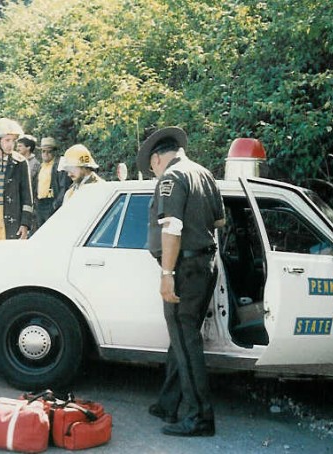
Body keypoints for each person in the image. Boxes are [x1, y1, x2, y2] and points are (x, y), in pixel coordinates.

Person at [136, 126, 225, 437]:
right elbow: (219, 221)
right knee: (182, 339)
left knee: (186, 343)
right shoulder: (204, 173)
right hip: (205, 264)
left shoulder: (172, 178)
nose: (155, 173)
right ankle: (168, 403)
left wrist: (167, 273)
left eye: (153, 167)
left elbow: (171, 228)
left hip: (184, 269)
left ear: (158, 158)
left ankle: (200, 417)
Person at [34, 137, 70, 227]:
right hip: (40, 204)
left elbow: (64, 187)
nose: (46, 154)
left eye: (49, 151)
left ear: (54, 152)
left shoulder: (59, 166)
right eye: (43, 151)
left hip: (51, 203)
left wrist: (55, 205)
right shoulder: (40, 166)